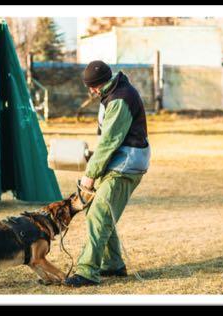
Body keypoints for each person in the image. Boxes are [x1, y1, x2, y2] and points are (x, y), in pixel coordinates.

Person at [64, 60, 151, 287]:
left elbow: (110, 141)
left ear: (100, 84)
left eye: (92, 87)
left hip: (126, 166)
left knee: (99, 215)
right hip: (117, 162)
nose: (91, 91)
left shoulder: (120, 98)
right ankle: (113, 264)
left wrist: (90, 174)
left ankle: (87, 272)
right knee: (99, 210)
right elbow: (108, 140)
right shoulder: (111, 92)